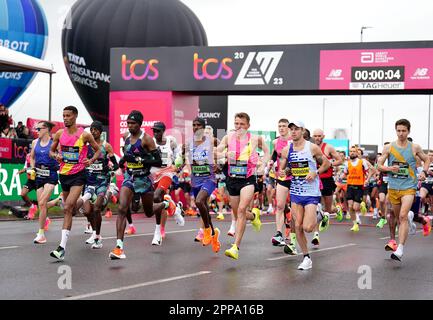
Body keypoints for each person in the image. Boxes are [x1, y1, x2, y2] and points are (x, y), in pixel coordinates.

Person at [109, 110, 166, 260]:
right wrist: (120, 163)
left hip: (144, 179)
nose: (129, 126)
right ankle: (119, 247)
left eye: (133, 123)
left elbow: (158, 162)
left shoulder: (147, 139)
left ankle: (165, 204)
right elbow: (126, 156)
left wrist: (140, 160)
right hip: (130, 177)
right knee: (122, 208)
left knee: (148, 212)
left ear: (140, 124)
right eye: (128, 123)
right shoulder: (126, 137)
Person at [48, 106, 101, 261]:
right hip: (64, 175)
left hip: (78, 175)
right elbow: (51, 151)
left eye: (68, 116)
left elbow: (98, 150)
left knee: (68, 207)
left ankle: (61, 248)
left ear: (75, 117)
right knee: (69, 209)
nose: (65, 118)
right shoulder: (59, 133)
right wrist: (55, 155)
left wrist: (90, 160)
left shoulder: (84, 135)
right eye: (63, 115)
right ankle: (85, 201)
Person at [277, 121, 331, 270]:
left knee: (308, 228)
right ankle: (306, 257)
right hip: (295, 191)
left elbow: (327, 164)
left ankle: (321, 215)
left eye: (296, 129)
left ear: (302, 131)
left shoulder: (312, 147)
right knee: (298, 225)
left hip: (311, 192)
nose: (293, 132)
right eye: (291, 129)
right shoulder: (288, 150)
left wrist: (316, 172)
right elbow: (290, 167)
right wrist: (285, 172)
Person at [216, 112, 270, 260]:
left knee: (241, 210)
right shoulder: (228, 138)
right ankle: (254, 215)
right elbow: (216, 151)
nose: (239, 127)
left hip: (248, 178)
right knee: (237, 212)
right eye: (236, 124)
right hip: (232, 179)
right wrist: (226, 155)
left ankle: (235, 247)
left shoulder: (254, 139)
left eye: (242, 124)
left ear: (248, 125)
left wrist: (263, 164)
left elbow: (267, 152)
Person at [377, 119, 430, 261]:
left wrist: (424, 172)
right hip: (394, 187)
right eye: (398, 131)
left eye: (403, 131)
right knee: (398, 218)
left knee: (402, 216)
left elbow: (427, 160)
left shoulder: (415, 147)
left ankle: (400, 249)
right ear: (396, 131)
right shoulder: (388, 147)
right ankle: (409, 226)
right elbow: (379, 165)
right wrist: (389, 168)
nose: (401, 133)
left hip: (409, 187)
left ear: (408, 131)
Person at [178, 117, 221, 253]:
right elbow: (184, 161)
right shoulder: (188, 143)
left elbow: (221, 156)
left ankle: (206, 230)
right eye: (194, 125)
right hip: (195, 180)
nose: (196, 127)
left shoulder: (212, 142)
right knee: (204, 208)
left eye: (198, 125)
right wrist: (181, 166)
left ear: (203, 127)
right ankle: (214, 235)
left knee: (199, 201)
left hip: (209, 179)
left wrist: (218, 164)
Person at [78, 121, 119, 249]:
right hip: (89, 181)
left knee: (96, 208)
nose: (93, 131)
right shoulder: (86, 146)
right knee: (87, 211)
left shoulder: (106, 146)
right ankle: (95, 233)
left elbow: (116, 165)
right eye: (91, 129)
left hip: (102, 180)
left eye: (95, 129)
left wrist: (109, 169)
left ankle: (97, 237)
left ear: (100, 132)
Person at [150, 121, 185, 239]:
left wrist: (178, 167)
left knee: (159, 195)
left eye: (158, 131)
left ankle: (161, 228)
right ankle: (175, 209)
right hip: (154, 174)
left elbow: (179, 156)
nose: (155, 133)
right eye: (154, 130)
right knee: (159, 200)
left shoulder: (171, 141)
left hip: (167, 173)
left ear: (163, 131)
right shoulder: (150, 142)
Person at [311, 128, 343, 246]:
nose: (317, 138)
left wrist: (330, 164)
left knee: (327, 209)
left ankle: (336, 209)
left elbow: (340, 160)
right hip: (315, 180)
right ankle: (316, 235)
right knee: (315, 208)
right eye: (315, 136)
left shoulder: (328, 147)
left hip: (327, 180)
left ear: (323, 136)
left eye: (319, 136)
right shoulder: (310, 147)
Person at [29, 121, 59, 244]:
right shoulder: (35, 142)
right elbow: (32, 157)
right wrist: (32, 168)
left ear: (46, 129)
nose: (36, 131)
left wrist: (57, 160)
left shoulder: (54, 143)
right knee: (42, 206)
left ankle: (41, 234)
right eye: (36, 129)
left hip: (50, 175)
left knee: (41, 203)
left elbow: (60, 156)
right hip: (39, 175)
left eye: (39, 129)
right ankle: (58, 201)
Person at [270, 119, 293, 247]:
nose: (281, 128)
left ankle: (292, 233)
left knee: (295, 208)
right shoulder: (275, 142)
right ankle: (279, 234)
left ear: (288, 128)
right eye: (279, 126)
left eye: (284, 126)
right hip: (282, 177)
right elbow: (275, 155)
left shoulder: (294, 141)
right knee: (279, 205)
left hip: (294, 177)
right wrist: (271, 162)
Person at [342, 146, 373, 232]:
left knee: (356, 207)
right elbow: (344, 174)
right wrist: (340, 177)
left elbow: (370, 171)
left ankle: (363, 205)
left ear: (357, 153)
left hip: (359, 187)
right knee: (350, 206)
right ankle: (355, 224)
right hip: (350, 187)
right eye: (351, 151)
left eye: (354, 151)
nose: (352, 153)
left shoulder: (362, 162)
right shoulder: (346, 163)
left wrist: (367, 179)